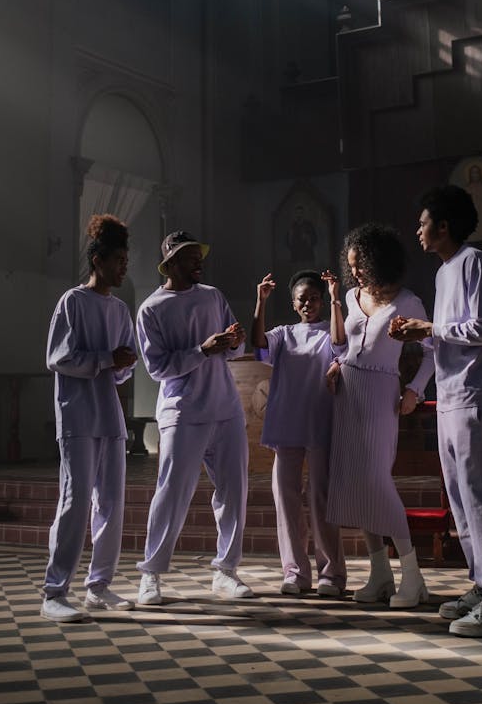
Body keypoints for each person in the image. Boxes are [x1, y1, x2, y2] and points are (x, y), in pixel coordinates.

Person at [389, 184, 482, 637]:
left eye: (424, 223)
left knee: (480, 494)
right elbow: (446, 335)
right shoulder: (445, 273)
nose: (418, 230)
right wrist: (418, 336)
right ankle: (480, 586)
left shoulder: (475, 263)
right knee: (459, 496)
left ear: (444, 227)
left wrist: (430, 326)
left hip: (475, 393)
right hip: (449, 394)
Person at [135, 230, 252, 603]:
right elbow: (156, 368)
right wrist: (202, 350)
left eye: (198, 255)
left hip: (226, 409)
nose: (197, 261)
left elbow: (236, 349)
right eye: (188, 257)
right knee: (172, 493)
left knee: (234, 492)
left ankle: (226, 571)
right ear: (170, 264)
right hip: (183, 411)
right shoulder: (152, 308)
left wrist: (233, 343)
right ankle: (150, 575)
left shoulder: (213, 295)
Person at [325, 223, 434, 608]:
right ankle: (379, 574)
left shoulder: (407, 301)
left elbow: (433, 351)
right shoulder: (351, 298)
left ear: (379, 262)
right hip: (347, 394)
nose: (354, 272)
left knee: (377, 482)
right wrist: (337, 364)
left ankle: (413, 576)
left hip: (381, 395)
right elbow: (345, 345)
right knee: (356, 484)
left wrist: (414, 390)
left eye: (361, 265)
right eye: (350, 265)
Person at [41, 213, 138, 623]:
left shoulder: (119, 309)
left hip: (110, 417)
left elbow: (127, 361)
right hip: (78, 416)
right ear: (97, 260)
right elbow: (58, 358)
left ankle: (99, 586)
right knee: (75, 502)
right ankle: (54, 591)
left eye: (125, 259)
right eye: (117, 259)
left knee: (112, 504)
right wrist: (105, 360)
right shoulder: (73, 302)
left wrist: (122, 364)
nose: (123, 266)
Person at [251, 269, 347, 597]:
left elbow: (339, 346)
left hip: (319, 421)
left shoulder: (327, 330)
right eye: (302, 299)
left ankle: (331, 574)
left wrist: (336, 297)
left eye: (314, 298)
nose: (308, 304)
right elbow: (259, 345)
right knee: (286, 499)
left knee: (321, 499)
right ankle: (295, 572)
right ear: (293, 303)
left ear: (321, 300)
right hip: (287, 424)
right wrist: (260, 303)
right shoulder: (284, 334)